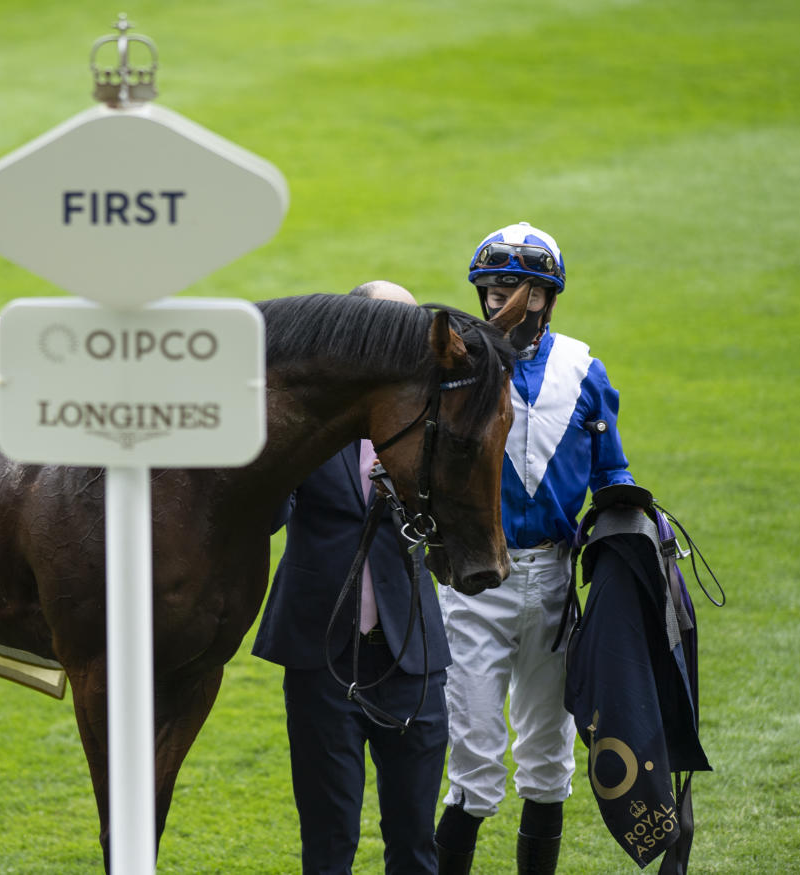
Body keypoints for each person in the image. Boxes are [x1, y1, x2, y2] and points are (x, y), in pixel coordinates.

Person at [433, 223, 634, 875]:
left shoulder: (583, 369)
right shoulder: (455, 363)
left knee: (548, 760)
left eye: (519, 289)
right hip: (471, 583)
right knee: (474, 765)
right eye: (491, 291)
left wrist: (633, 529)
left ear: (548, 296)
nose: (502, 303)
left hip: (553, 585)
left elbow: (612, 472)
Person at [254, 280, 452, 874]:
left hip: (411, 659)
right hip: (321, 657)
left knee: (416, 843)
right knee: (328, 844)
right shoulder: (312, 419)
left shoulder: (432, 425)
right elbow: (265, 517)